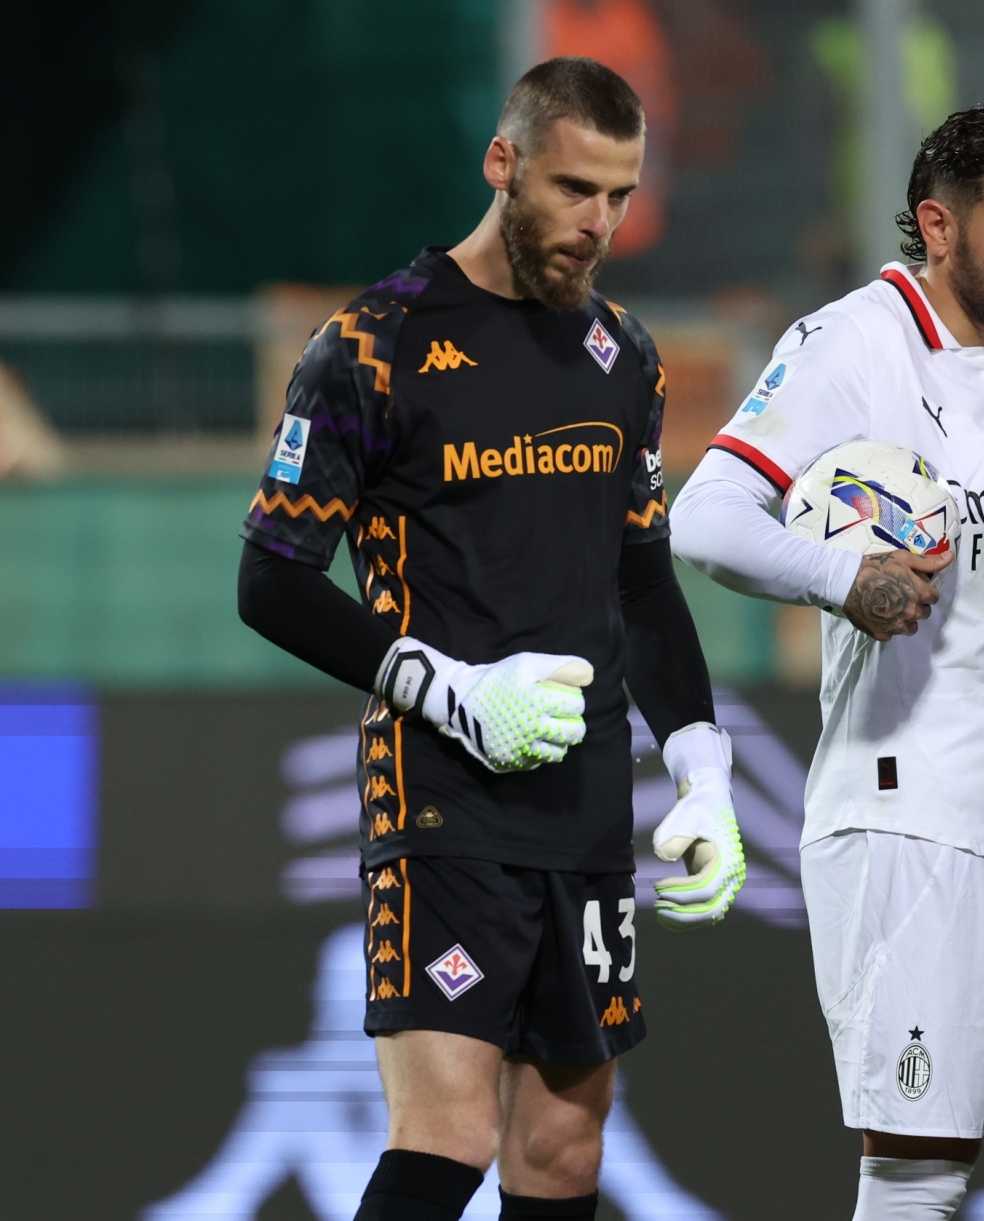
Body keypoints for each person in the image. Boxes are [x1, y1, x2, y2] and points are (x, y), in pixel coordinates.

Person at [234, 58, 745, 1221]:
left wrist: (703, 775)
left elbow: (646, 586)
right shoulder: (371, 346)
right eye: (574, 189)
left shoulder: (625, 354)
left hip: (584, 803)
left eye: (619, 196)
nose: (598, 225)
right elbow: (270, 580)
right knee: (452, 1128)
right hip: (438, 793)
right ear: (502, 164)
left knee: (564, 1150)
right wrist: (445, 687)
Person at [667, 106, 984, 1221]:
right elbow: (706, 518)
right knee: (918, 1176)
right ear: (939, 226)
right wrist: (844, 580)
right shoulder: (848, 345)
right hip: (916, 827)